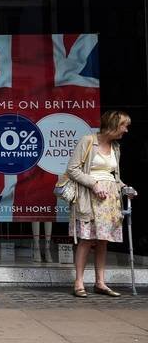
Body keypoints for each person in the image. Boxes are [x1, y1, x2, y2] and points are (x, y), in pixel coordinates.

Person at [67, 110, 137, 298]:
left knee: (103, 241)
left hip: (109, 200)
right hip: (89, 198)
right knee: (86, 240)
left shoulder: (116, 147)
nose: (126, 130)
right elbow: (72, 169)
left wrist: (125, 188)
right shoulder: (88, 141)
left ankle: (100, 282)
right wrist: (94, 184)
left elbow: (113, 176)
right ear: (113, 125)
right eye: (124, 126)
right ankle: (79, 283)